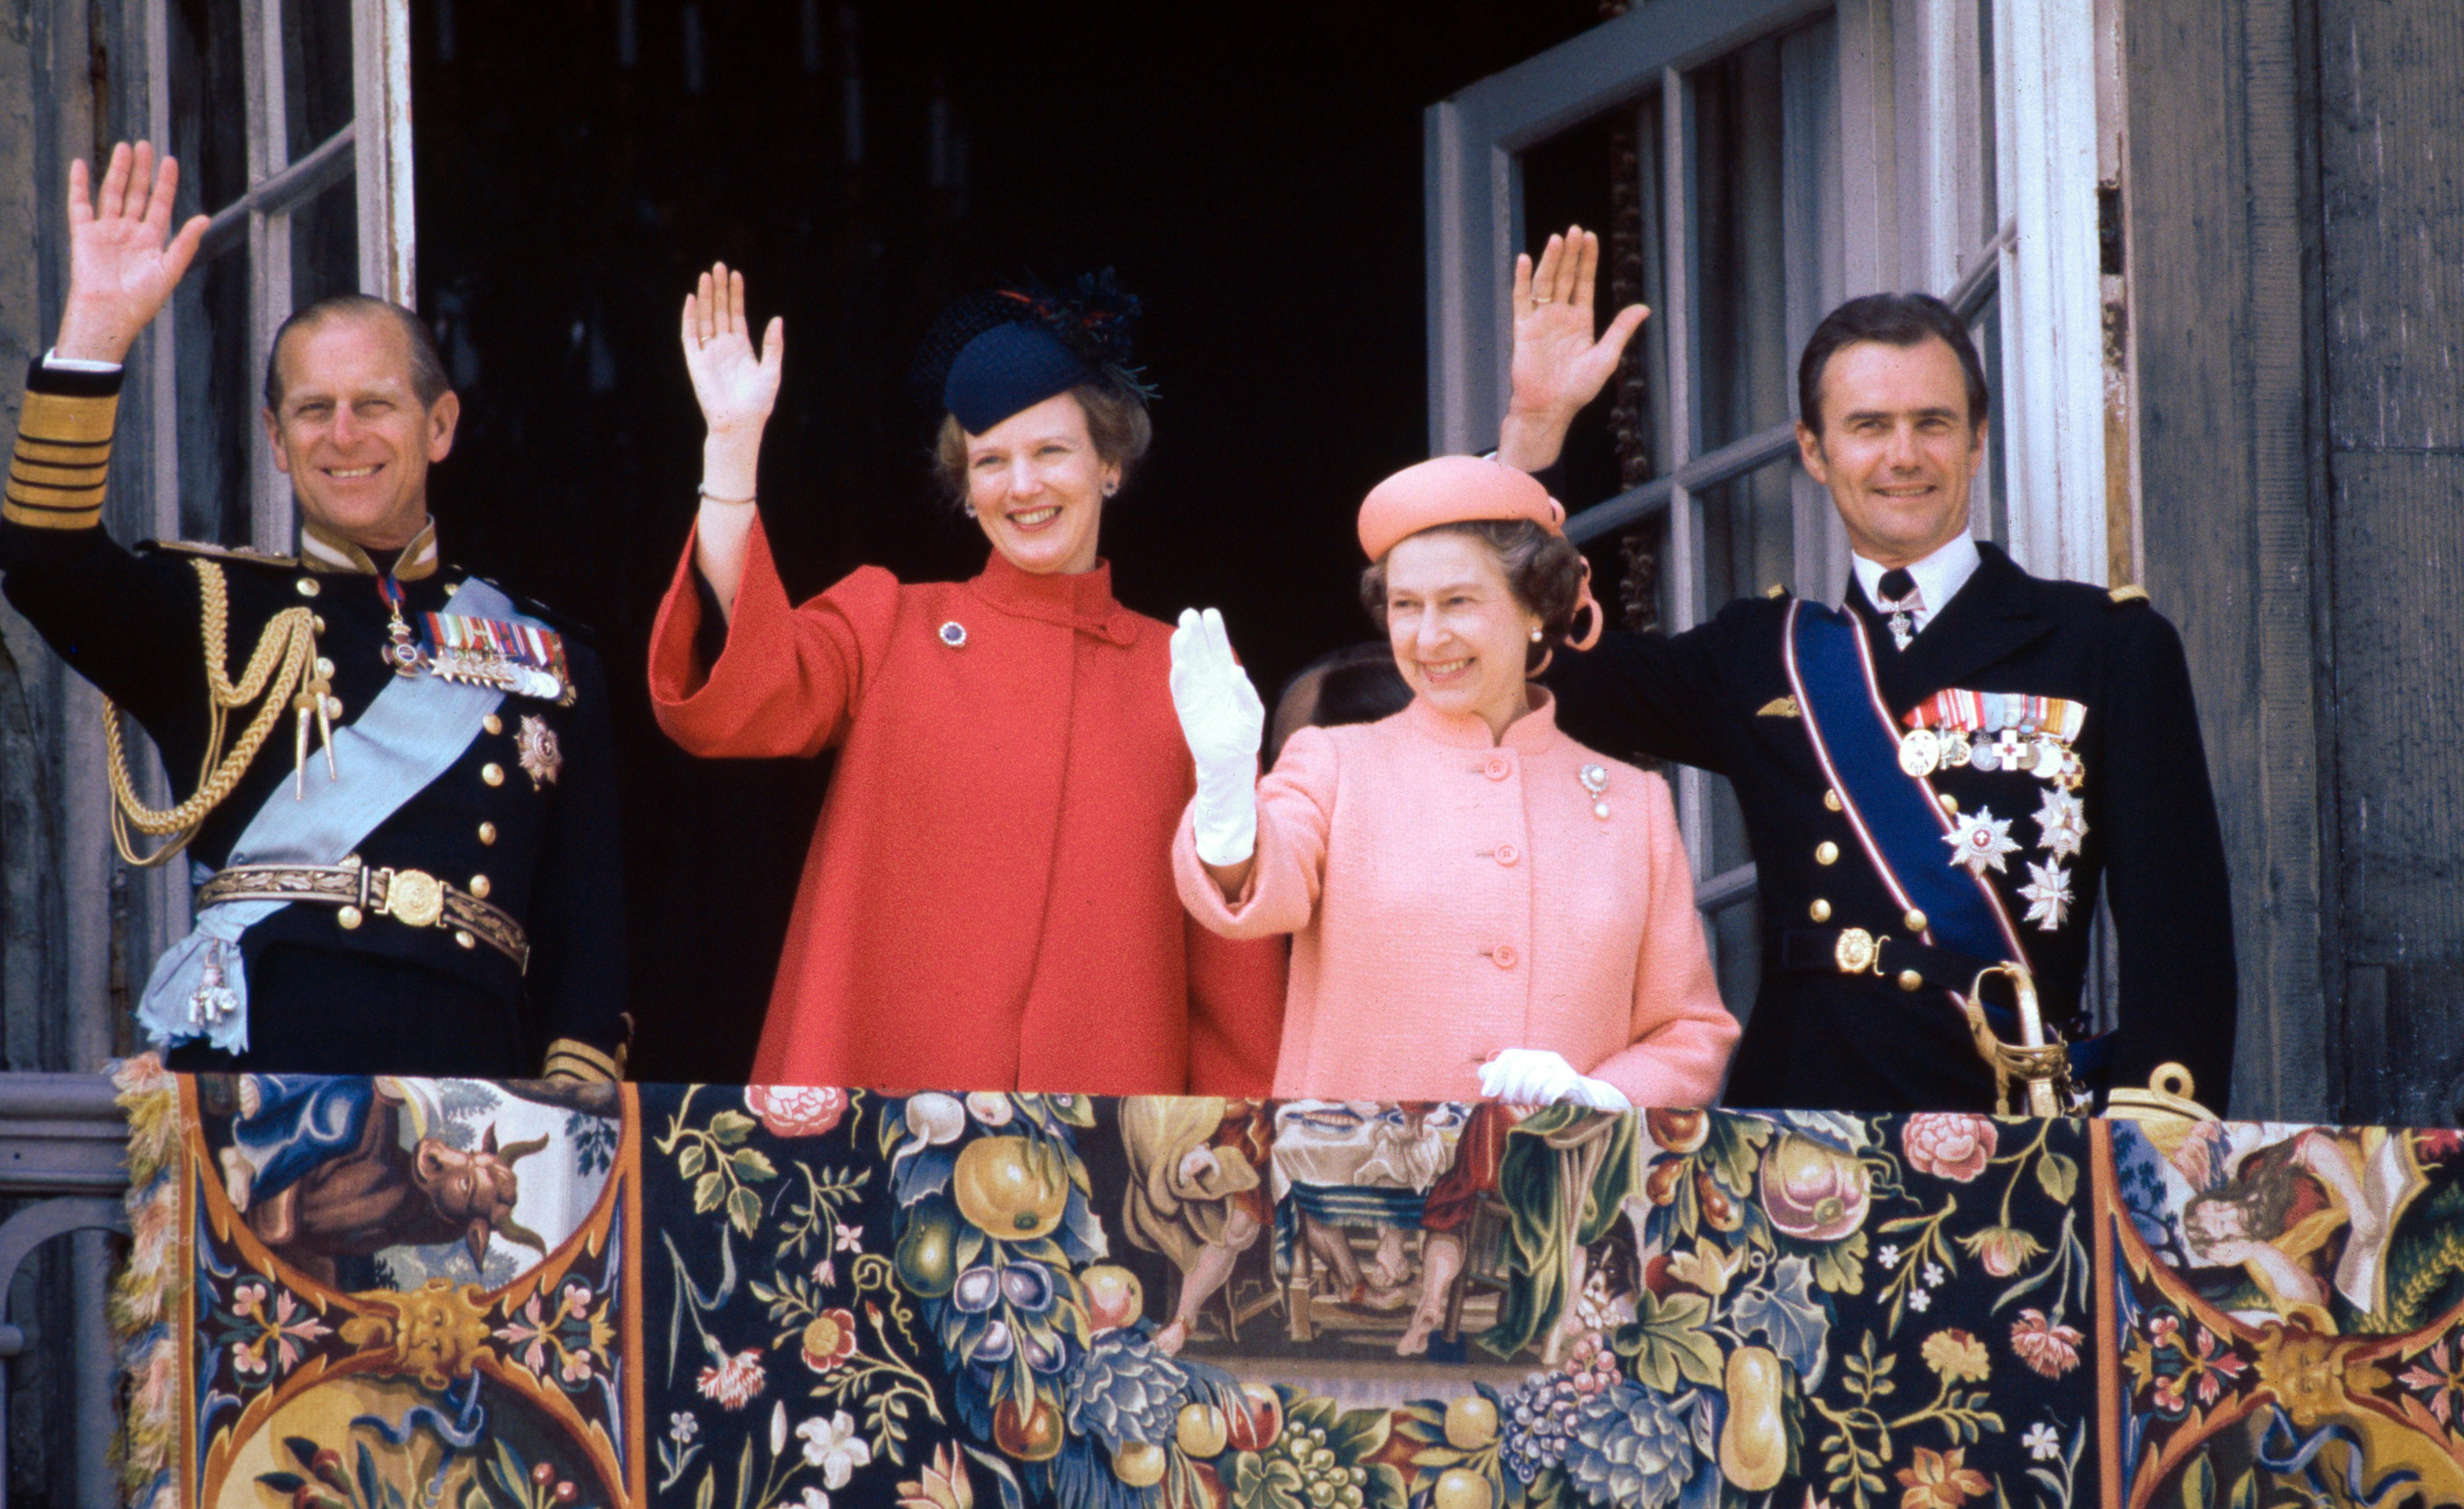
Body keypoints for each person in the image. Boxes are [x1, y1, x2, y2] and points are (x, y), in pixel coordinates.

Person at [1515, 264, 2235, 1112]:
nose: (1903, 455)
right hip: (1800, 1134)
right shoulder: (1762, 656)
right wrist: (1534, 436)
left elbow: (2177, 937)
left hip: (2011, 1135)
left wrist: (2153, 1143)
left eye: (1932, 423)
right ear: (1815, 452)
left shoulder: (2104, 647)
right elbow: (1542, 659)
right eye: (1868, 427)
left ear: (1975, 439)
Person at [0, 143, 627, 1081]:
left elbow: (588, 932)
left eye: (375, 404)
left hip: (471, 1102)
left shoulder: (547, 656)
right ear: (277, 439)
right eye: (313, 410)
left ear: (440, 426)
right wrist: (95, 330)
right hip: (258, 1080)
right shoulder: (211, 615)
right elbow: (45, 561)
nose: (344, 436)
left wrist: (569, 1111)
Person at [647, 264, 1283, 1094]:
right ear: (967, 492)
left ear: (1110, 466)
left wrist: (1233, 1150)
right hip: (889, 1115)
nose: (1022, 486)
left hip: (1110, 1130)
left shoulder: (1188, 669)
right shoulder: (886, 625)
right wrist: (730, 452)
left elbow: (1230, 946)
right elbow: (749, 693)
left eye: (1051, 451)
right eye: (990, 463)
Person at [1165, 453, 1738, 1348]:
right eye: (1404, 606)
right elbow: (1256, 891)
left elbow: (1690, 1032)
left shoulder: (1629, 803)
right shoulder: (1334, 762)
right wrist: (1227, 790)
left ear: (1536, 604)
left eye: (1458, 603)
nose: (1427, 637)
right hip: (1356, 1250)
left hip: (1566, 1249)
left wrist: (1596, 1092)